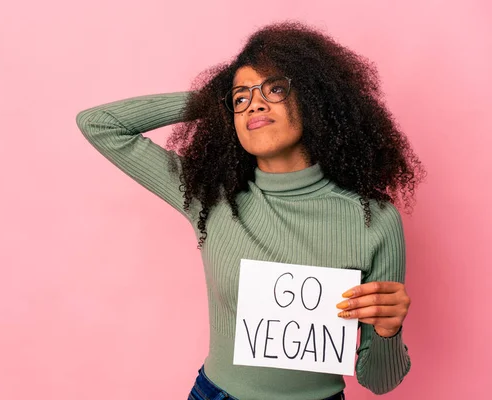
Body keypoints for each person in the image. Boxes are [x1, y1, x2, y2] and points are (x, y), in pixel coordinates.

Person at [76, 21, 424, 400]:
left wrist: (389, 331)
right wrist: (213, 99)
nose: (255, 102)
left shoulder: (375, 221)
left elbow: (381, 382)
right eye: (240, 97)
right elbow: (99, 124)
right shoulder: (210, 198)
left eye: (275, 88)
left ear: (313, 98)